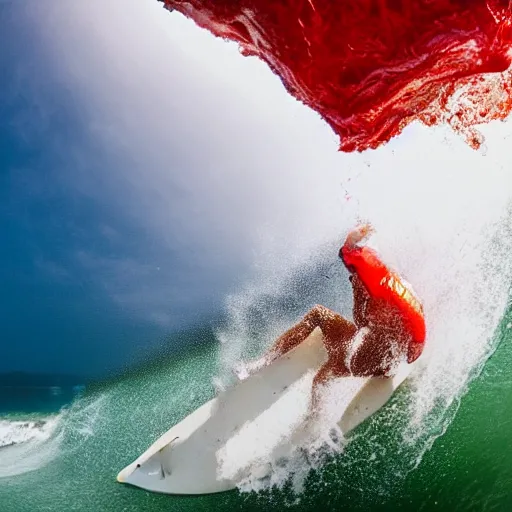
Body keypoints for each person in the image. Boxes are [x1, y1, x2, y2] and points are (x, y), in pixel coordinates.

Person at [237, 224, 426, 406]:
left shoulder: (368, 290)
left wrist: (357, 291)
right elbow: (411, 320)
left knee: (321, 354)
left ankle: (264, 364)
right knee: (348, 358)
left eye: (353, 276)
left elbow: (361, 322)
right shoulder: (397, 286)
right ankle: (382, 372)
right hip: (388, 361)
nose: (352, 279)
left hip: (366, 360)